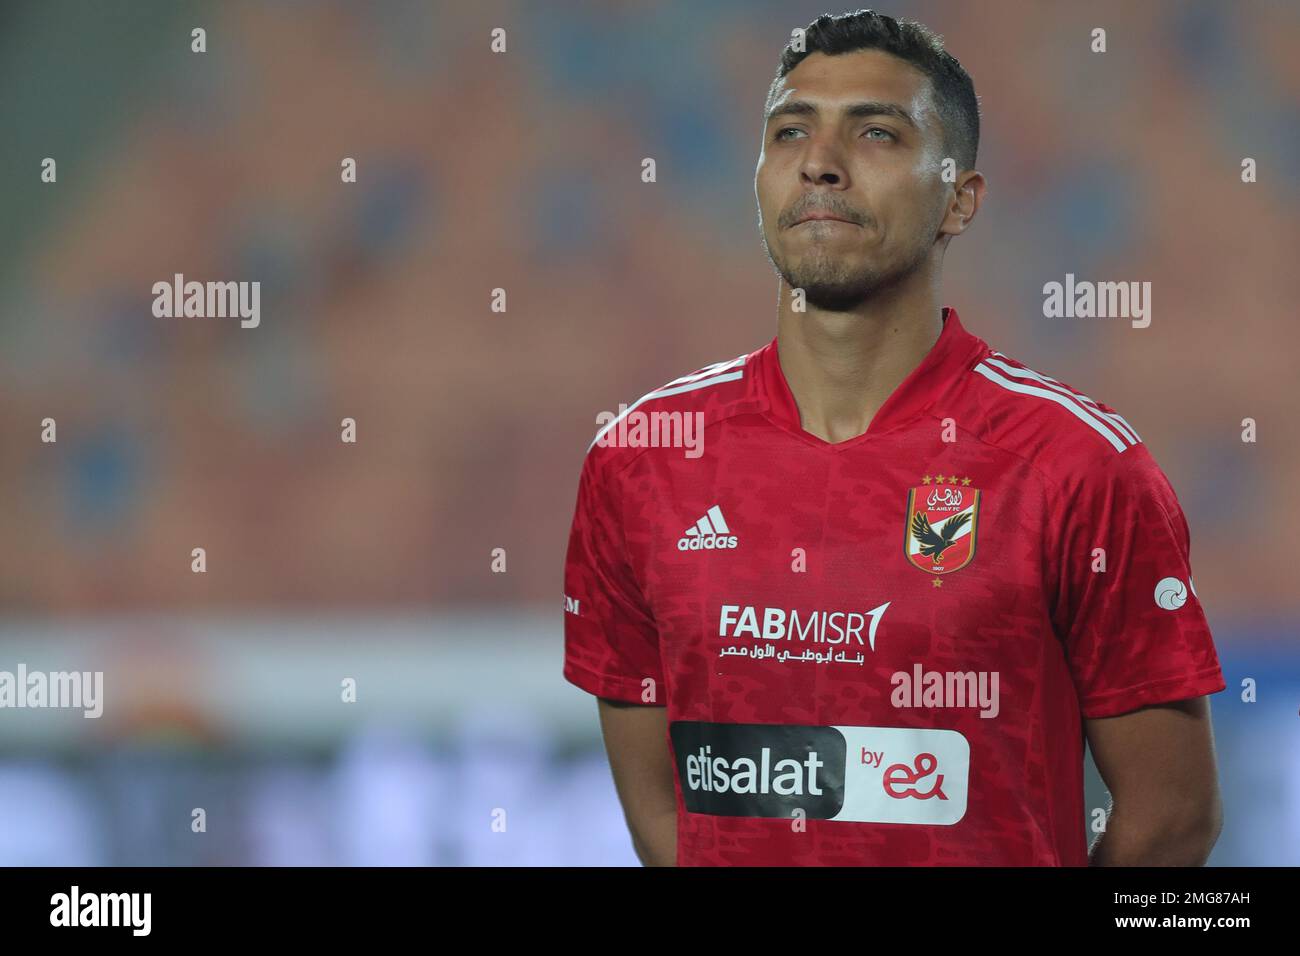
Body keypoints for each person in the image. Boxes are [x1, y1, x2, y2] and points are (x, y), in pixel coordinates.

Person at [562, 9, 1225, 866]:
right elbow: (668, 816)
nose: (821, 163)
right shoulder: (643, 460)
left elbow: (1173, 820)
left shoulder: (1077, 465)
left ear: (959, 200)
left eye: (876, 133)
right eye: (790, 130)